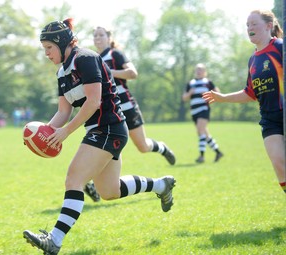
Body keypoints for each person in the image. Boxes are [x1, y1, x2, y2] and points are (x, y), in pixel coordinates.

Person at [23, 18, 176, 255]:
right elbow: (63, 111)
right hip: (101, 131)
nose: (46, 53)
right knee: (109, 191)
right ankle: (161, 185)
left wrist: (65, 132)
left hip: (108, 128)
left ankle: (54, 240)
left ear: (63, 44)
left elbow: (94, 102)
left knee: (74, 179)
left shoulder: (85, 59)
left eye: (49, 48)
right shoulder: (62, 72)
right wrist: (43, 132)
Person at [82, 26, 177, 202]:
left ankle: (162, 147)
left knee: (143, 146)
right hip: (110, 112)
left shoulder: (115, 54)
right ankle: (91, 182)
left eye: (101, 35)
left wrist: (108, 72)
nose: (97, 38)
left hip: (126, 106)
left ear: (109, 37)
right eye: (95, 35)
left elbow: (132, 73)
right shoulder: (93, 59)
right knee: (110, 146)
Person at [202, 10, 285, 194]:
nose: (249, 28)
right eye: (247, 25)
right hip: (270, 120)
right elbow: (250, 93)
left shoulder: (280, 47)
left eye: (254, 23)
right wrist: (222, 98)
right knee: (280, 164)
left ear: (268, 26)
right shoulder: (253, 60)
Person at [182, 63, 224, 163]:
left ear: (205, 72)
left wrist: (211, 98)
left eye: (200, 69)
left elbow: (218, 93)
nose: (198, 71)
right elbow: (184, 98)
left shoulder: (208, 82)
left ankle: (201, 156)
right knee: (204, 133)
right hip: (194, 111)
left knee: (200, 131)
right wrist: (189, 93)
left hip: (204, 109)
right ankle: (218, 152)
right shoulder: (190, 83)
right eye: (197, 69)